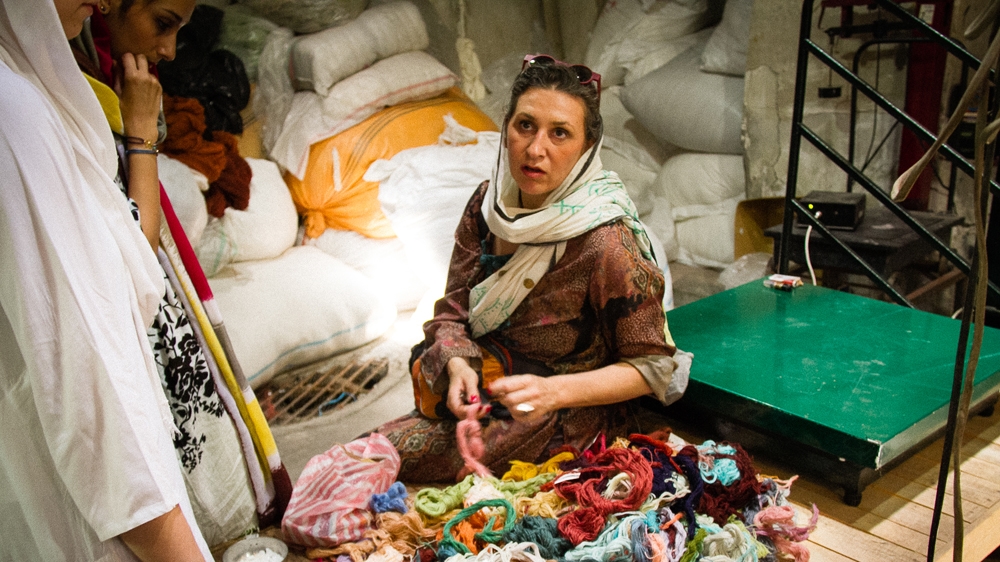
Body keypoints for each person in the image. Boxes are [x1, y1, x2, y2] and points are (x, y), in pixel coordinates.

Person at [378, 55, 688, 483]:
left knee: (371, 462)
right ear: (505, 129)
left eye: (560, 133)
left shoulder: (605, 239)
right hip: (484, 392)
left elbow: (653, 366)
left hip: (565, 422)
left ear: (586, 148)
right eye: (526, 125)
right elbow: (452, 311)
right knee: (361, 459)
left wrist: (552, 393)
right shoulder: (488, 206)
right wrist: (457, 365)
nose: (536, 148)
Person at [0, 0, 211, 559]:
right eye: (162, 22)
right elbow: (87, 383)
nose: (105, 1)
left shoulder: (34, 87)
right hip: (107, 506)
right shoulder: (14, 112)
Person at [69, 0, 262, 546]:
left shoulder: (109, 76)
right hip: (121, 318)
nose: (169, 51)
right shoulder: (70, 91)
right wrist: (139, 134)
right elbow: (139, 242)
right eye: (162, 23)